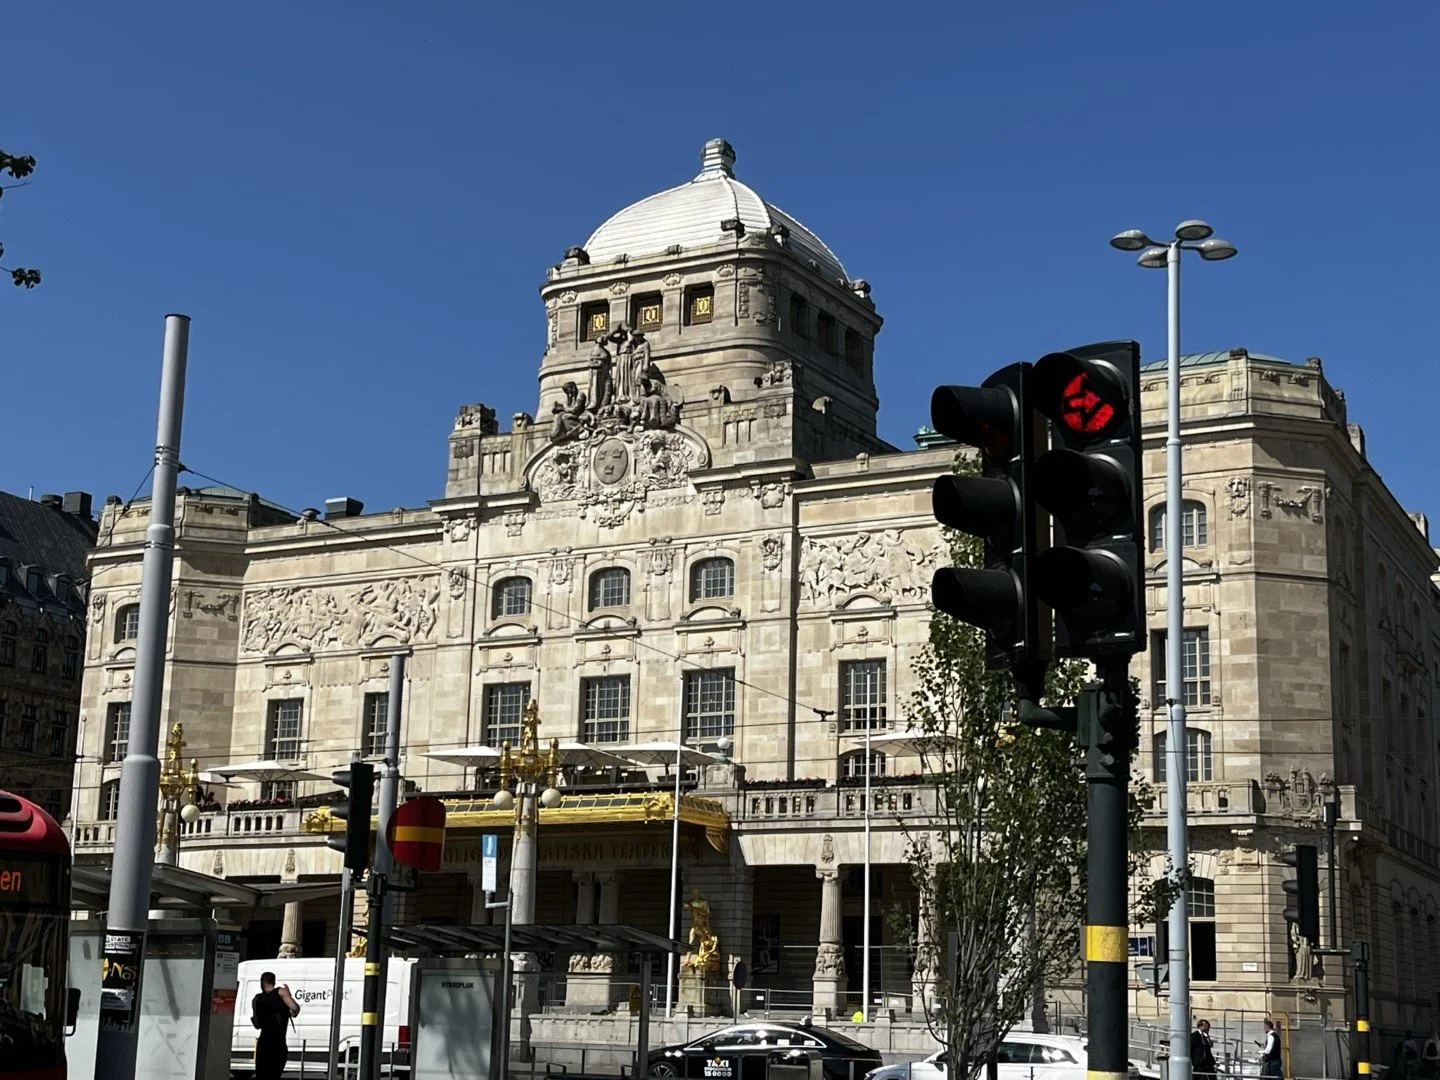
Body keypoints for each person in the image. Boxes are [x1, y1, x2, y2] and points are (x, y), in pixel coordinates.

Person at [251, 971, 300, 1080]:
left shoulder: (256, 999)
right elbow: (295, 1007)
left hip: (263, 1043)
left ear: (262, 982)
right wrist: (293, 1012)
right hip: (278, 1044)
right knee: (274, 1075)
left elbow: (257, 1025)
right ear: (274, 981)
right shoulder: (281, 992)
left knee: (262, 1075)